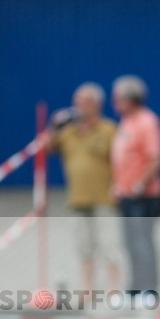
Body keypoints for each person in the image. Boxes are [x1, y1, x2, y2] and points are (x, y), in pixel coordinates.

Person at [47, 83, 119, 291]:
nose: (78, 106)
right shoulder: (68, 132)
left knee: (109, 246)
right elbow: (47, 147)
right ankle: (88, 289)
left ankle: (113, 289)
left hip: (105, 198)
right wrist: (54, 125)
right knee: (84, 248)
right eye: (76, 102)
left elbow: (120, 161)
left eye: (84, 102)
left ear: (97, 104)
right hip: (78, 199)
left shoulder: (108, 130)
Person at [111, 75, 160, 300]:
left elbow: (155, 159)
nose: (114, 103)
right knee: (129, 243)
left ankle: (149, 289)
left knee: (143, 243)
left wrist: (139, 184)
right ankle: (134, 288)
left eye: (118, 98)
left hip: (143, 196)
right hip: (126, 195)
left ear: (130, 99)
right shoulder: (125, 122)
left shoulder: (147, 121)